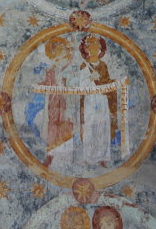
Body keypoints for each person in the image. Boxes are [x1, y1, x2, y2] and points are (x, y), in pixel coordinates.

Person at [78, 33, 117, 165]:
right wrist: (90, 79)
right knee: (89, 126)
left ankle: (102, 157)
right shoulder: (84, 66)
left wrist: (109, 81)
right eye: (91, 47)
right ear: (87, 49)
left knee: (102, 126)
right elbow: (81, 86)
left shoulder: (103, 65)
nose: (94, 49)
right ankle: (88, 157)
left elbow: (107, 82)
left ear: (100, 49)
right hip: (90, 100)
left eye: (96, 47)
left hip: (101, 99)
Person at [39, 36, 75, 168]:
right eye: (57, 50)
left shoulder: (66, 68)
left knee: (65, 124)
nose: (59, 52)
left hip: (65, 102)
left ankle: (66, 156)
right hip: (53, 102)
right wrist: (38, 86)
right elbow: (47, 83)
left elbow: (71, 79)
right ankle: (51, 154)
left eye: (61, 50)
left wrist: (72, 46)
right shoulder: (50, 70)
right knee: (52, 126)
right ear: (53, 53)